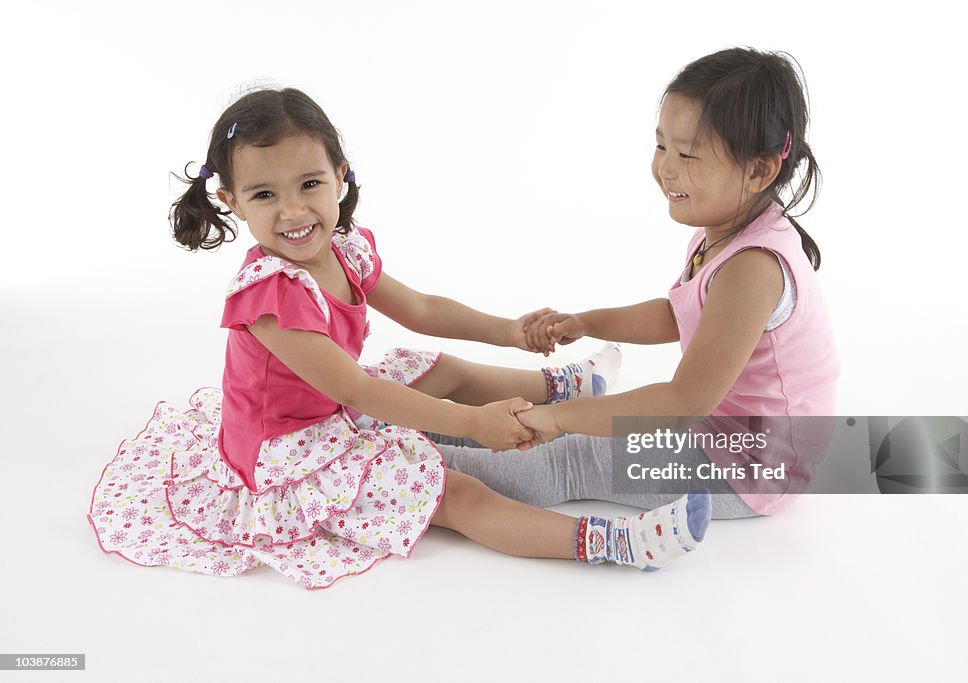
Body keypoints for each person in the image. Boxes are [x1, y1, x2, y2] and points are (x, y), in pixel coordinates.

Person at [87, 87, 711, 589]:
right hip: (289, 450)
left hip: (333, 410)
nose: (293, 212)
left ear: (340, 175)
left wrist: (512, 332)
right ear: (232, 201)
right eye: (263, 195)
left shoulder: (345, 249)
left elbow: (421, 308)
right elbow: (358, 388)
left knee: (430, 363)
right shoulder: (268, 298)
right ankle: (614, 542)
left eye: (309, 184)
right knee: (454, 491)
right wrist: (472, 425)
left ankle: (559, 383)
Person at [441, 47, 840, 519]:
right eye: (661, 146)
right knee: (573, 425)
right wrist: (588, 322)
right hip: (716, 427)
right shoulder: (721, 230)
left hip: (753, 465)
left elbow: (682, 401)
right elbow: (679, 311)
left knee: (573, 456)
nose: (666, 169)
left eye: (687, 154)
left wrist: (558, 417)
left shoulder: (753, 268)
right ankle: (429, 426)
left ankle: (401, 466)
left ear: (759, 170)